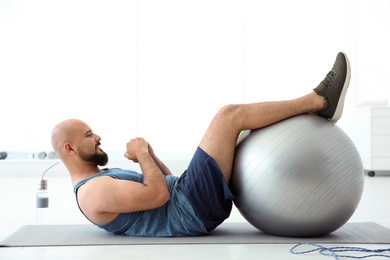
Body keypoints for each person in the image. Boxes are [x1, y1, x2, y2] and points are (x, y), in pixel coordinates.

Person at [51, 52, 351, 237]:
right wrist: (141, 153)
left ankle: (315, 103)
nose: (98, 137)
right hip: (191, 209)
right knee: (228, 116)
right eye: (89, 135)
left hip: (186, 197)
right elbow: (157, 196)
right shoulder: (92, 193)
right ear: (69, 148)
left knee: (238, 131)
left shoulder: (96, 182)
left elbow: (164, 183)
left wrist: (150, 156)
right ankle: (319, 101)